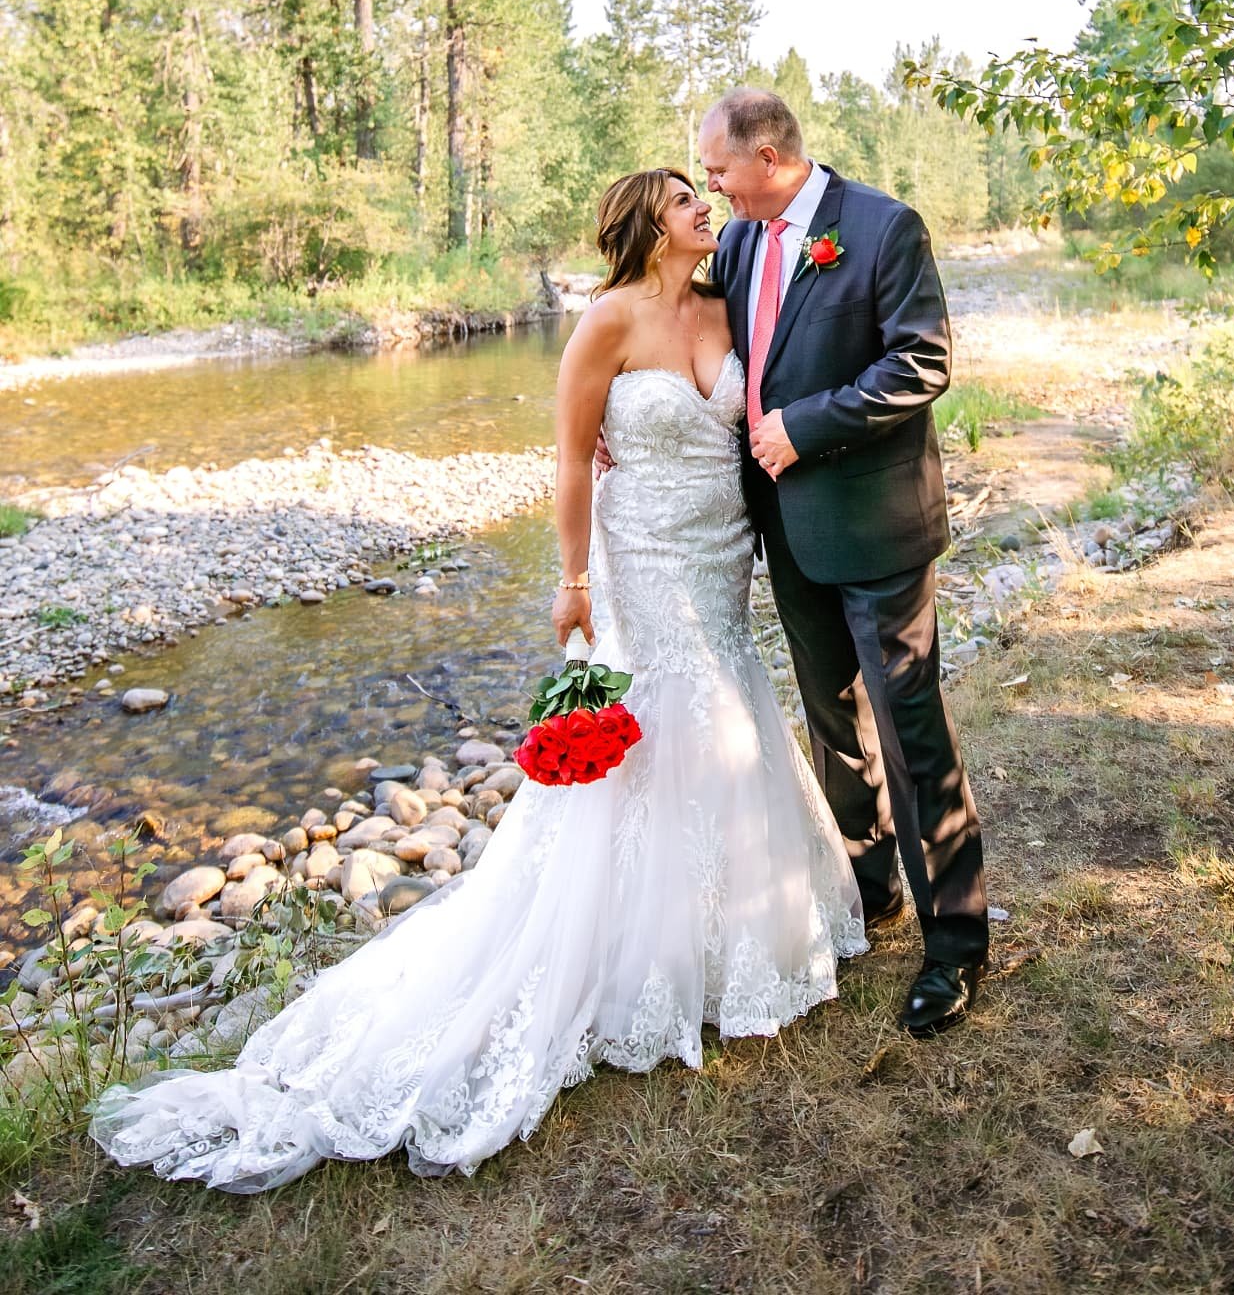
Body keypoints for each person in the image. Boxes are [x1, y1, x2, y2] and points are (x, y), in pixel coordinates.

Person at [90, 167, 865, 1192]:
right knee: (667, 722)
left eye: (702, 195)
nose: (704, 210)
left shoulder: (727, 305)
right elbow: (573, 460)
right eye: (686, 200)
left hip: (719, 550)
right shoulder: (606, 322)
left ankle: (730, 936)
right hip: (641, 556)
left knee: (727, 716)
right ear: (647, 226)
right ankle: (638, 958)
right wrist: (572, 581)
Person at [696, 88, 989, 1036]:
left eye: (718, 169)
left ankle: (956, 945)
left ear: (768, 155)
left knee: (908, 727)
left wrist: (806, 426)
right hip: (787, 529)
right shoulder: (739, 242)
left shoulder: (883, 228)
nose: (712, 186)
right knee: (832, 721)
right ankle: (869, 889)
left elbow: (921, 362)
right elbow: (705, 339)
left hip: (876, 522)